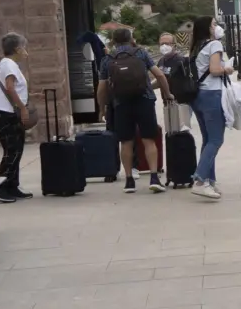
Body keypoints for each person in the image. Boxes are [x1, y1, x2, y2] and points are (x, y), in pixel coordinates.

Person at [97, 28, 173, 193]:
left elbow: (101, 88)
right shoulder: (141, 53)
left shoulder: (107, 59)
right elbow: (160, 75)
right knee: (148, 140)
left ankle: (129, 181)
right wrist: (167, 94)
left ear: (113, 41)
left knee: (126, 142)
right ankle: (154, 178)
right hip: (144, 100)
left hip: (121, 103)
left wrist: (102, 109)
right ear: (131, 39)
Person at [187, 16, 231, 200]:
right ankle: (199, 182)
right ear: (207, 28)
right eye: (214, 24)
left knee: (207, 140)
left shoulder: (196, 47)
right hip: (212, 95)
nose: (216, 27)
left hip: (197, 96)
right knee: (216, 140)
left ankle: (209, 181)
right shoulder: (215, 45)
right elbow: (214, 70)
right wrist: (227, 69)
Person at [0, 32, 33, 203]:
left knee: (17, 149)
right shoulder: (9, 65)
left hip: (5, 111)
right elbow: (9, 87)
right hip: (4, 112)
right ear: (18, 49)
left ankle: (12, 185)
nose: (26, 51)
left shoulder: (7, 64)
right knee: (12, 150)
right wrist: (23, 108)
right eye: (24, 47)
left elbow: (14, 89)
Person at [156, 32, 192, 130]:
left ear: (174, 45)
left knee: (182, 130)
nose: (164, 46)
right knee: (171, 130)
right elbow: (159, 80)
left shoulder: (181, 61)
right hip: (167, 102)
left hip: (181, 102)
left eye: (167, 43)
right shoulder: (161, 61)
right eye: (162, 44)